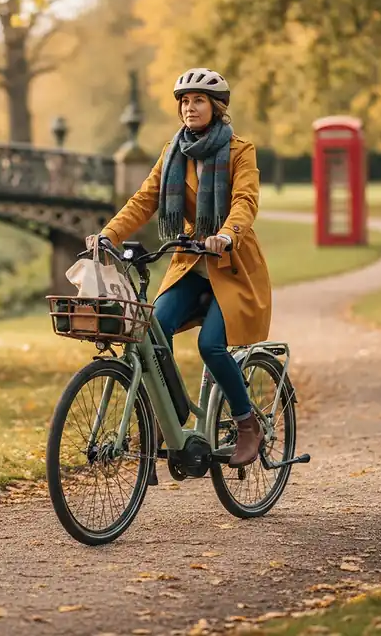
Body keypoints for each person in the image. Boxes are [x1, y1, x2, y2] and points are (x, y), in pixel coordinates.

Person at [88, 68, 272, 469]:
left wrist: (226, 234)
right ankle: (169, 419)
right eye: (185, 101)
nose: (190, 107)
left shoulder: (241, 151)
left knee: (211, 345)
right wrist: (108, 234)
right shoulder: (174, 152)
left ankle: (246, 424)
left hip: (233, 266)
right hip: (191, 264)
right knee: (152, 328)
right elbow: (145, 198)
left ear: (216, 107)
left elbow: (245, 201)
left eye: (199, 101)